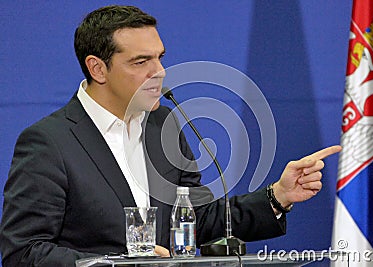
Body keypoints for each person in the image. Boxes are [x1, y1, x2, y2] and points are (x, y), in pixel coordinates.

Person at [0, 5, 341, 267]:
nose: (159, 72)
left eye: (160, 58)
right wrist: (116, 264)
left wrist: (277, 196)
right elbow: (23, 251)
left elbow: (198, 218)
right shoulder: (49, 142)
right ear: (97, 68)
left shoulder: (163, 123)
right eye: (140, 62)